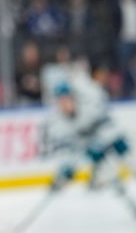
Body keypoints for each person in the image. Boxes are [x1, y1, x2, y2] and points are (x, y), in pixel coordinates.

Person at [43, 57, 131, 192]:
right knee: (97, 161)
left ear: (74, 98)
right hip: (88, 145)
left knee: (124, 150)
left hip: (106, 136)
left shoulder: (88, 106)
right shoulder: (59, 123)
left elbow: (107, 125)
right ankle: (102, 179)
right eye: (61, 101)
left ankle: (107, 178)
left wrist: (103, 143)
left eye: (67, 100)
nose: (65, 105)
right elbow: (70, 151)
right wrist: (64, 173)